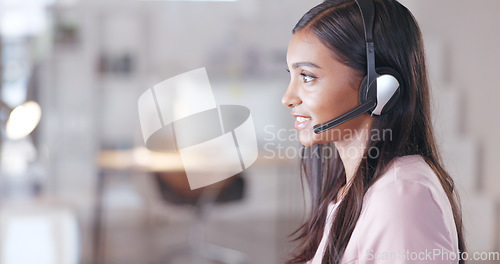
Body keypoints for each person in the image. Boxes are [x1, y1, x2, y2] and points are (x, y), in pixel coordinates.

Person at [281, 0, 465, 263]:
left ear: (378, 88)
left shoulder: (401, 196)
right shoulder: (352, 189)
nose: (287, 98)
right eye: (291, 75)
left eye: (307, 76)